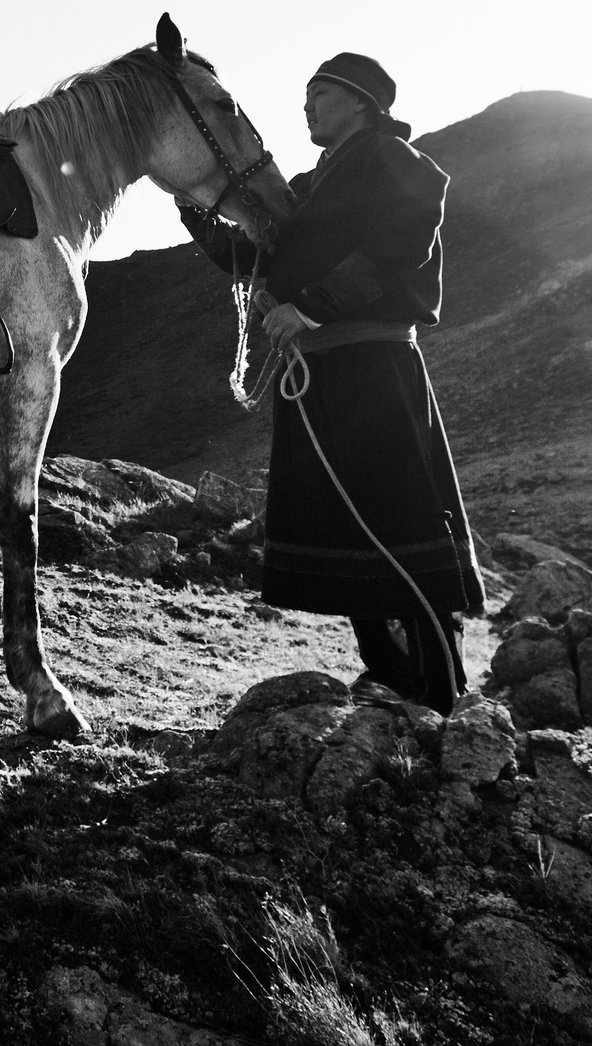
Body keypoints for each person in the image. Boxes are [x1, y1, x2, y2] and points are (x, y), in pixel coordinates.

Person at [180, 52, 484, 707]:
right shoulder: (311, 183)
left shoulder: (390, 159)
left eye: (319, 93)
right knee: (351, 525)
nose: (307, 105)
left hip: (372, 367)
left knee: (396, 519)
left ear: (361, 101)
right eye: (307, 94)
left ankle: (437, 686)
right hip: (319, 374)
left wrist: (311, 304)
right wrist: (193, 206)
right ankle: (389, 674)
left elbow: (405, 237)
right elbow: (257, 249)